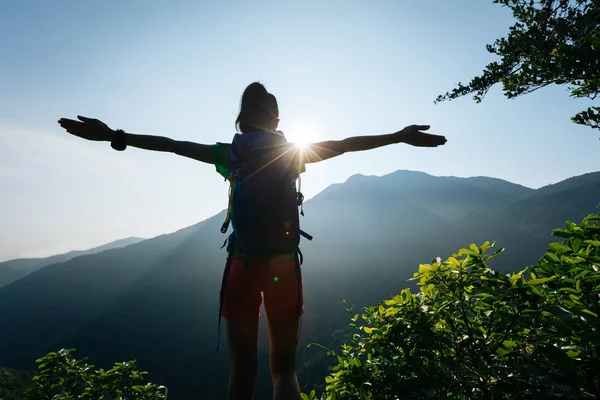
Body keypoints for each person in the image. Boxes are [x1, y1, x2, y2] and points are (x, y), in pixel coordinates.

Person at [57, 82, 447, 400]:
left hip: (242, 266)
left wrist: (113, 135)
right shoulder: (294, 155)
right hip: (283, 266)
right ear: (277, 121)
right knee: (284, 371)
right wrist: (398, 137)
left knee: (241, 374)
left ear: (241, 121)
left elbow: (171, 144)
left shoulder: (230, 155)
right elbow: (345, 143)